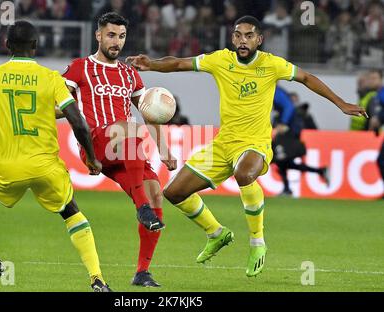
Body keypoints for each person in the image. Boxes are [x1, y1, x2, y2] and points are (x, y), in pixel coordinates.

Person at [127, 15, 367, 277]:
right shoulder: (220, 60)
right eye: (238, 35)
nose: (243, 40)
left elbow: (307, 78)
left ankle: (257, 242)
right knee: (173, 193)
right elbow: (178, 63)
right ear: (232, 38)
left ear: (259, 39)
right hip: (223, 145)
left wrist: (341, 103)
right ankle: (216, 233)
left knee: (244, 173)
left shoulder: (271, 64)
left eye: (249, 35)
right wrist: (151, 64)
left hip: (256, 143)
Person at [0, 20, 111, 292]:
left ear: (6, 45)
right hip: (45, 167)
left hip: (5, 167)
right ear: (36, 46)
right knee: (71, 211)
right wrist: (92, 158)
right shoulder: (51, 79)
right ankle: (97, 279)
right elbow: (79, 122)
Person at [60, 12, 177, 287]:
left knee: (155, 192)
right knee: (128, 128)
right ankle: (141, 207)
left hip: (125, 151)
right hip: (96, 144)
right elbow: (59, 105)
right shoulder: (79, 68)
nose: (116, 42)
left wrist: (164, 150)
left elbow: (150, 114)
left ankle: (142, 272)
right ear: (98, 35)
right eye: (111, 35)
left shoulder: (129, 74)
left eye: (121, 36)